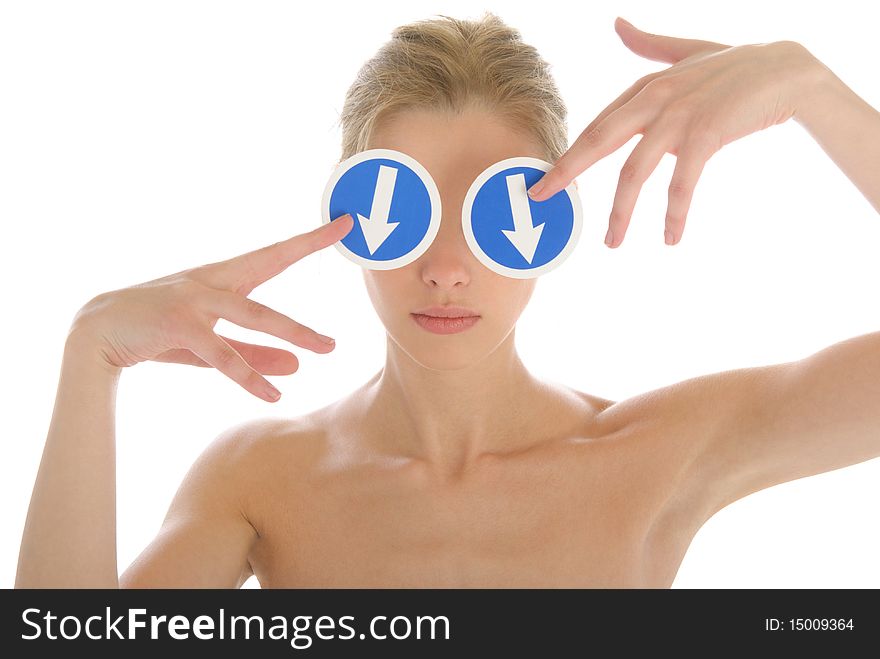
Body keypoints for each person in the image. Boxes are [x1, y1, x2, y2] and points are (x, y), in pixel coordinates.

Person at [15, 13, 880, 588]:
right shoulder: (264, 481)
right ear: (348, 220)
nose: (446, 267)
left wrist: (815, 93)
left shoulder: (657, 453)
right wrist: (91, 355)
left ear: (556, 217)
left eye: (499, 212)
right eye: (402, 208)